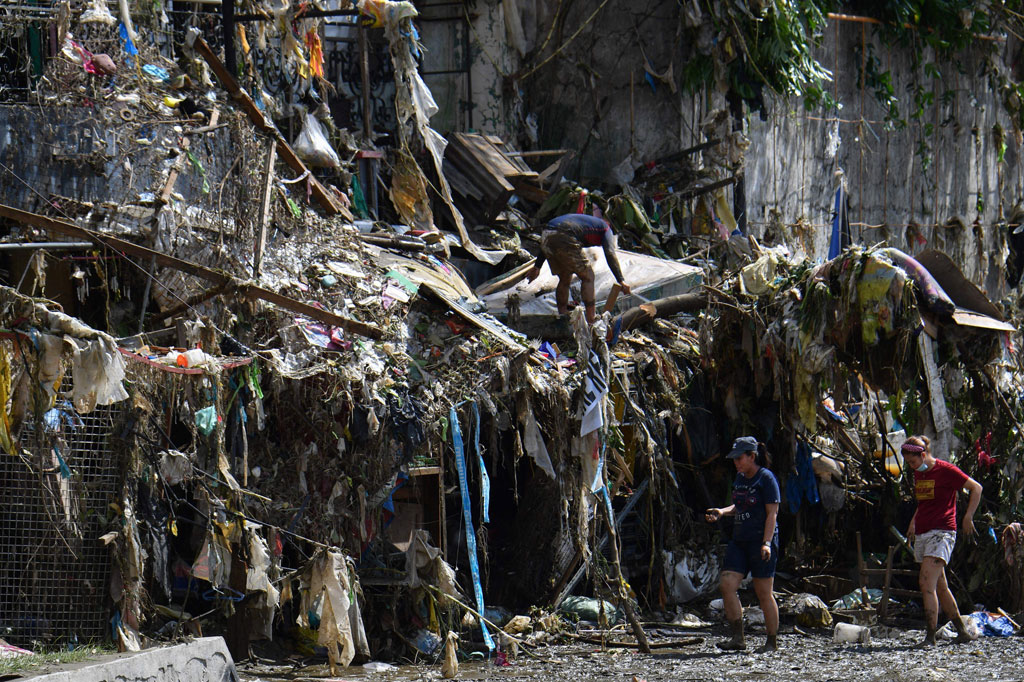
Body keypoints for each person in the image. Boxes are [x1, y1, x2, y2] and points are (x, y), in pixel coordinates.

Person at [901, 435, 983, 646]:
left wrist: (968, 517)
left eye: (912, 461)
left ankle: (930, 636)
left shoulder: (946, 470)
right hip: (923, 532)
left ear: (923, 455)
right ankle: (962, 632)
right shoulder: (919, 473)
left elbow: (976, 488)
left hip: (942, 532)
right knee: (940, 586)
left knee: (925, 582)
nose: (911, 466)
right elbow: (924, 503)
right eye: (908, 463)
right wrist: (913, 522)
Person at [704, 436, 781, 653]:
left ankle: (771, 641)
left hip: (760, 541)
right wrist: (722, 512)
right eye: (735, 459)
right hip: (739, 541)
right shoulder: (739, 478)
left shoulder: (766, 479)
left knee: (763, 592)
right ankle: (738, 637)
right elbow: (739, 505)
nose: (736, 462)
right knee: (727, 584)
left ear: (752, 456)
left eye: (740, 458)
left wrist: (767, 543)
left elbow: (772, 514)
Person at [525, 213, 631, 323]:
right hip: (565, 234)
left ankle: (563, 315)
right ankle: (591, 319)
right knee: (588, 276)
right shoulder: (606, 229)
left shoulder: (585, 223)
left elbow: (552, 236)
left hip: (546, 233)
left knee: (565, 277)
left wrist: (537, 266)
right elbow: (610, 253)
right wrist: (621, 280)